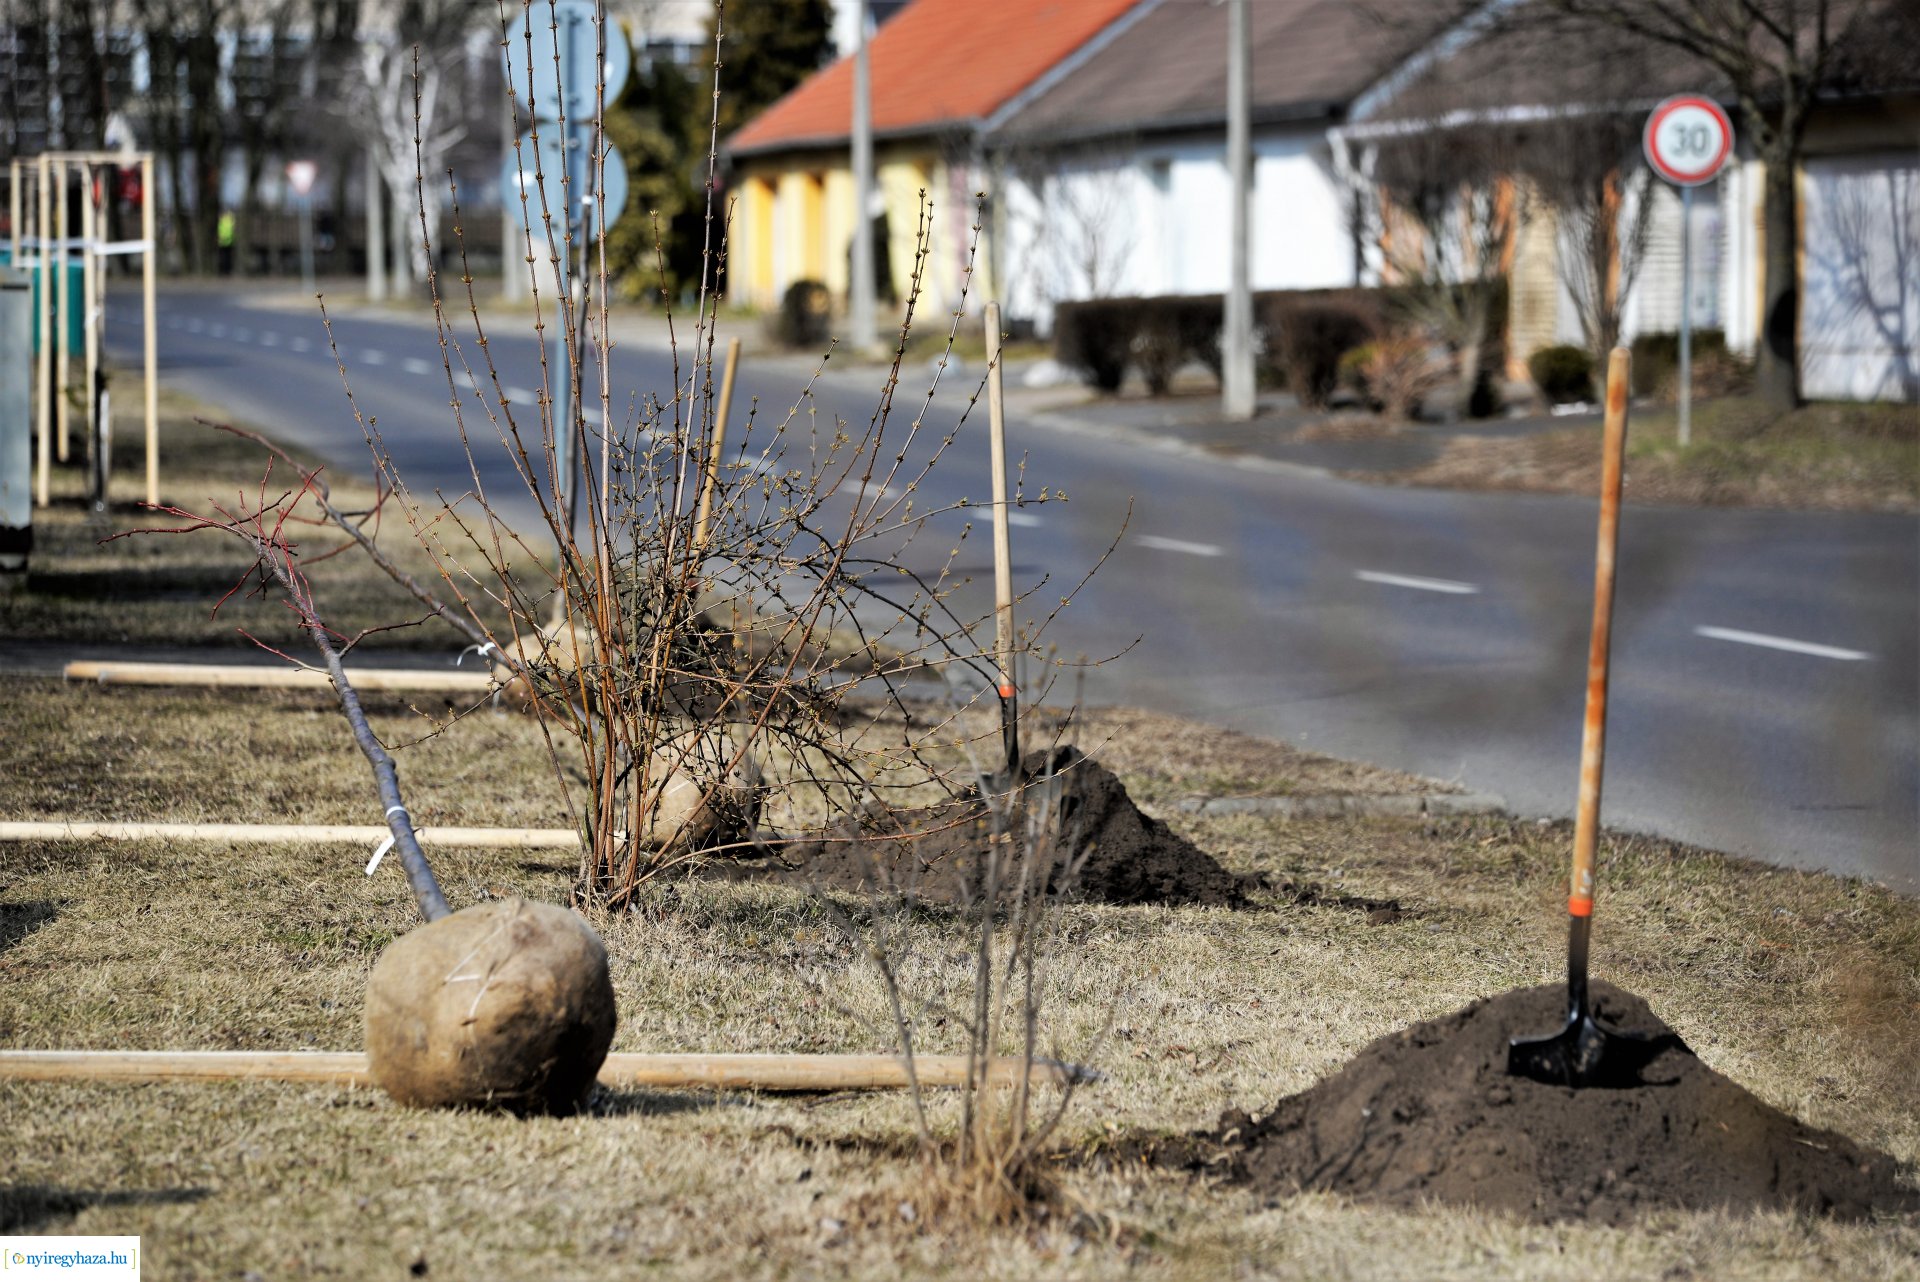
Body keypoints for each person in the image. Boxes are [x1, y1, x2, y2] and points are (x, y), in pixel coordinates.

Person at [216, 209, 235, 275]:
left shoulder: (221, 221)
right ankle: (226, 271)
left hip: (222, 242)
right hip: (228, 242)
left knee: (223, 258)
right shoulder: (230, 221)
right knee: (227, 258)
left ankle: (223, 271)